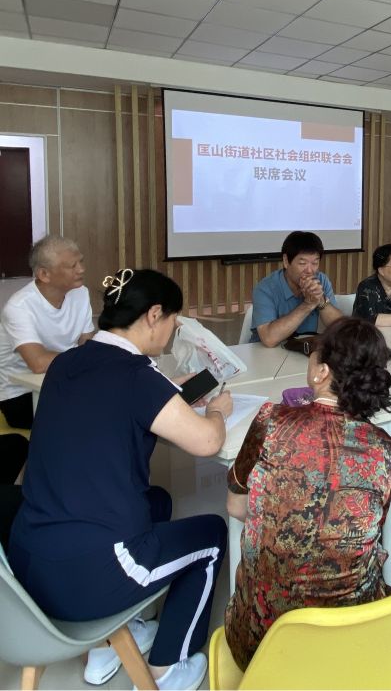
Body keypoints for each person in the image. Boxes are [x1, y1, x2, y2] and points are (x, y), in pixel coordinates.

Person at [8, 268, 232, 691]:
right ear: (154, 314)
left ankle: (110, 642)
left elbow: (108, 401)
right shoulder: (136, 376)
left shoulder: (66, 363)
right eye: (173, 320)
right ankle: (169, 668)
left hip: (27, 563)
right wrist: (218, 411)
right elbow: (207, 441)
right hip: (89, 577)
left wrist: (165, 389)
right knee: (211, 535)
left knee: (158, 501)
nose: (173, 330)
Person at [224, 318, 391, 669]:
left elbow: (236, 505)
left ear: (321, 372)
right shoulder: (386, 449)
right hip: (350, 642)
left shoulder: (271, 420)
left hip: (262, 646)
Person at [0, 235, 94, 429]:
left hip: (64, 378)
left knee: (113, 400)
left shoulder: (80, 293)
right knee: (90, 414)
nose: (81, 269)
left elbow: (87, 343)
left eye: (81, 262)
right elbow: (38, 363)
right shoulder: (19, 307)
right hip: (20, 394)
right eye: (72, 266)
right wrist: (87, 357)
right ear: (44, 274)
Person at [251, 231, 343, 347]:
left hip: (301, 348)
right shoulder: (265, 288)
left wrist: (320, 299)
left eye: (315, 263)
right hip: (264, 352)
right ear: (286, 261)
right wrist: (308, 304)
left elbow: (342, 329)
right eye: (302, 263)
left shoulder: (321, 280)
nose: (309, 270)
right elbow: (269, 339)